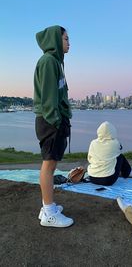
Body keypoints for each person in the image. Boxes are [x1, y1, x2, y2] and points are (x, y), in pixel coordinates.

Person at [34, 25, 73, 228]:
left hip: (53, 121)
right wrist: (57, 121)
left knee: (51, 164)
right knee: (48, 166)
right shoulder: (49, 61)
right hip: (50, 122)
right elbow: (49, 99)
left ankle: (47, 206)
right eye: (66, 39)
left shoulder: (56, 62)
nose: (69, 43)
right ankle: (49, 212)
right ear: (56, 40)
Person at [87, 121, 132, 186]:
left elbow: (89, 159)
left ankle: (128, 172)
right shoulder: (115, 143)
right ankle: (128, 173)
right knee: (120, 157)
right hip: (108, 180)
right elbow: (119, 150)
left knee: (116, 156)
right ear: (113, 131)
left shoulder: (93, 143)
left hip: (92, 177)